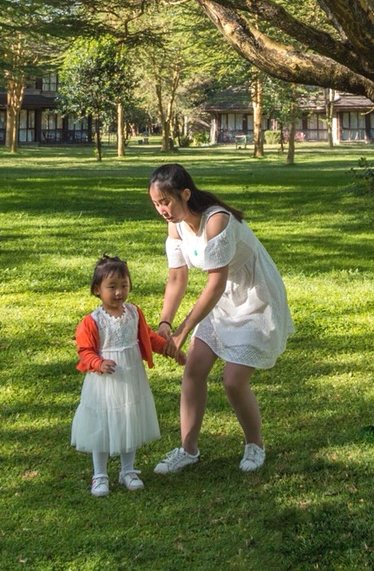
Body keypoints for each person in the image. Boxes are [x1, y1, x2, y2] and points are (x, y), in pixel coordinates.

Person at [147, 163, 294, 476]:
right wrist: (165, 323)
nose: (162, 210)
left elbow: (214, 282)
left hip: (256, 296)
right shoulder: (175, 226)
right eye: (156, 204)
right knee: (194, 370)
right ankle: (188, 450)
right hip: (224, 297)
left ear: (185, 194)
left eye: (167, 202)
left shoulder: (216, 220)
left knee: (233, 381)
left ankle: (255, 446)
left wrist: (184, 330)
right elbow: (176, 277)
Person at [71, 254, 170, 496]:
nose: (119, 292)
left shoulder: (134, 313)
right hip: (106, 382)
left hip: (130, 377)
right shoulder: (92, 321)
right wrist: (98, 362)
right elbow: (84, 350)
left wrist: (168, 348)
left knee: (129, 419)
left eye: (124, 286)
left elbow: (147, 336)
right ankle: (100, 475)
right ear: (97, 290)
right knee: (103, 426)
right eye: (112, 287)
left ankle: (128, 470)